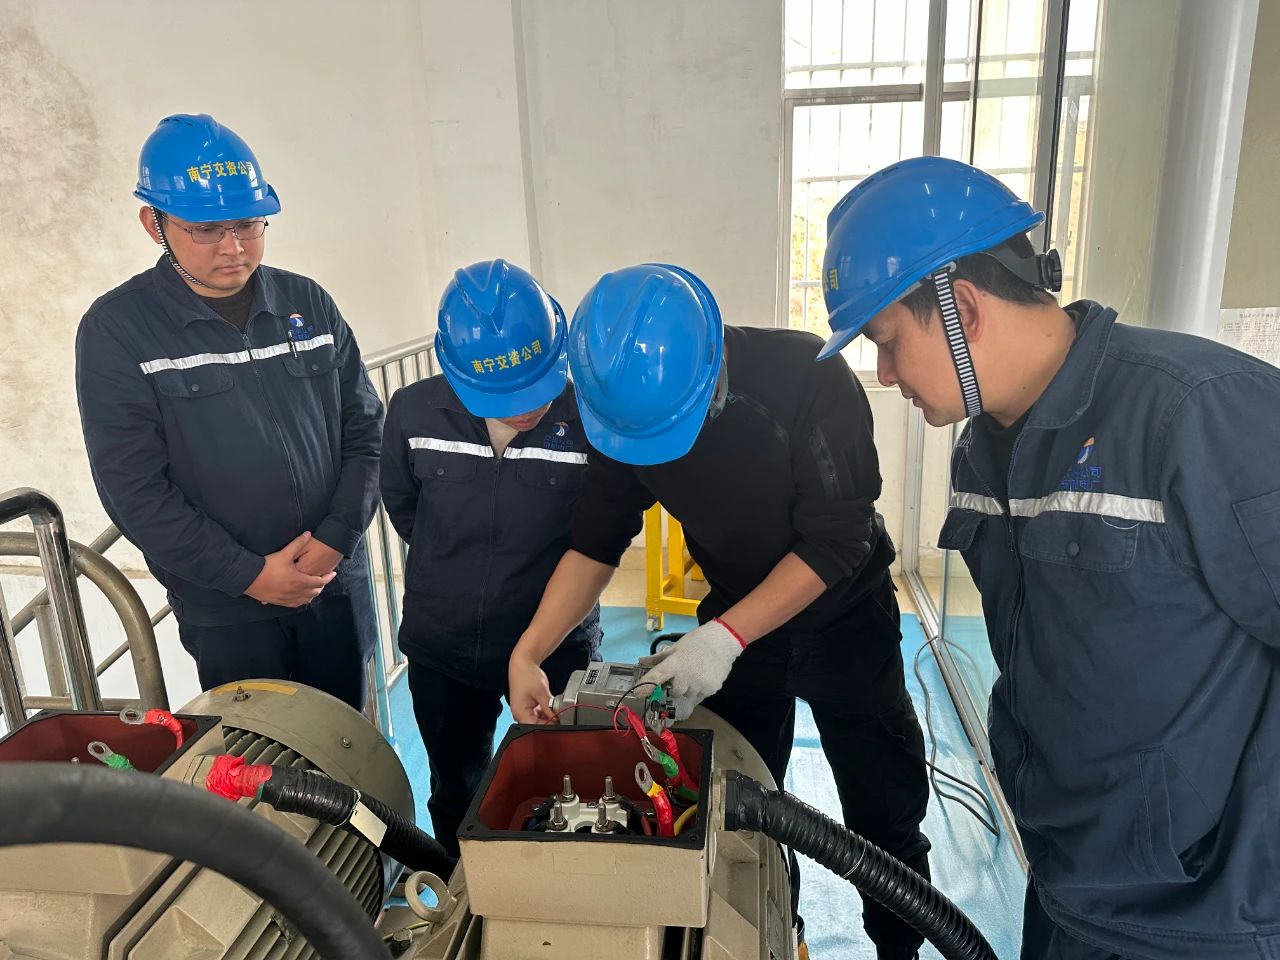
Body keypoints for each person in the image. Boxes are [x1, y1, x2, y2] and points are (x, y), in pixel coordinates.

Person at [821, 155, 1280, 960]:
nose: (886, 375)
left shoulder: (1199, 416)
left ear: (962, 308)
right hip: (1069, 887)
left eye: (887, 343)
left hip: (1204, 925)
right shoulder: (982, 455)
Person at [507, 263, 931, 960]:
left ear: (714, 367)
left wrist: (725, 637)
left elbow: (837, 539)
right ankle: (774, 934)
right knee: (737, 811)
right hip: (735, 620)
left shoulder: (807, 378)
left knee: (884, 817)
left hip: (845, 618)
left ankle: (900, 948)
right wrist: (529, 651)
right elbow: (596, 540)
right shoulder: (619, 410)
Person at [75, 114, 383, 711]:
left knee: (350, 736)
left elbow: (365, 431)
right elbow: (132, 487)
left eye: (247, 224)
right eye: (206, 230)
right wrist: (249, 575)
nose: (233, 247)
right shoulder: (118, 330)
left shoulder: (307, 303)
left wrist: (336, 538)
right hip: (227, 607)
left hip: (333, 581)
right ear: (154, 224)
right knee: (256, 750)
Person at [380, 259, 600, 857]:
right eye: (503, 396)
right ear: (454, 370)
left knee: (570, 789)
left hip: (555, 647)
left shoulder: (587, 420)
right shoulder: (413, 412)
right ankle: (464, 895)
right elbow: (405, 509)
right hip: (444, 646)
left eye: (537, 384)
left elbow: (599, 539)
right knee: (456, 791)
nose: (526, 408)